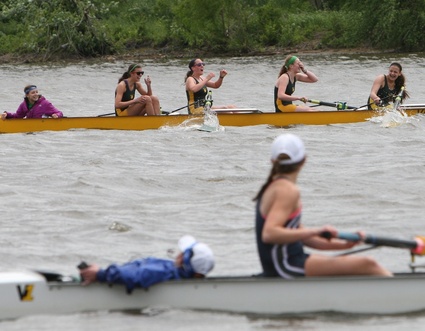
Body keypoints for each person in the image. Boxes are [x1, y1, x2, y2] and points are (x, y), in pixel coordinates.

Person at [254, 133, 392, 278]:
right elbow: (269, 234)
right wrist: (315, 230)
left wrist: (345, 244)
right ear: (304, 160)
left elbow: (303, 238)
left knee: (357, 266)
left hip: (288, 262)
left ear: (272, 161)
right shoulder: (287, 190)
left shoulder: (273, 187)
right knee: (368, 264)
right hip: (286, 266)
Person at [79, 235, 215, 293]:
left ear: (186, 262)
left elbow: (135, 276)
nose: (178, 254)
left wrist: (100, 274)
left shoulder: (163, 272)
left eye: (182, 253)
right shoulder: (171, 268)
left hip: (112, 275)